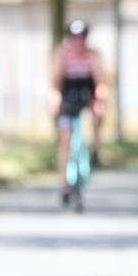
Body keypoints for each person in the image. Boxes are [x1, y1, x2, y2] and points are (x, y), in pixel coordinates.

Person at [50, 19, 108, 205]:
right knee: (66, 138)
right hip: (69, 98)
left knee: (99, 114)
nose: (78, 42)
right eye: (75, 38)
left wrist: (100, 99)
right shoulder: (62, 54)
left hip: (87, 96)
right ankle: (64, 184)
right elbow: (55, 82)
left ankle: (96, 148)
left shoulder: (93, 54)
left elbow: (100, 82)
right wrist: (55, 98)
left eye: (82, 38)